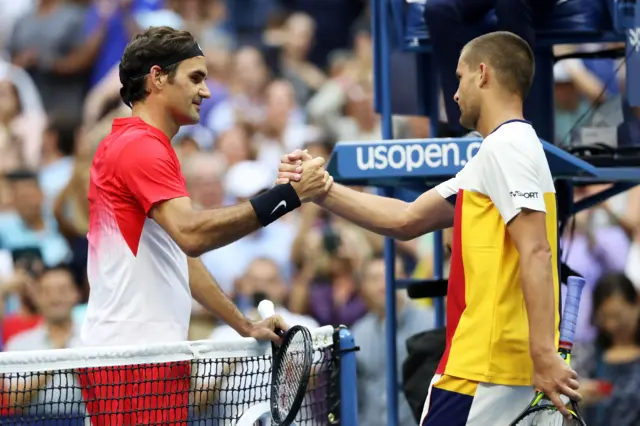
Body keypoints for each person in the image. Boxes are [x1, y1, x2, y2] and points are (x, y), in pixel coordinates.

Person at [278, 31, 581, 424]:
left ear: (483, 74)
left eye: (459, 77)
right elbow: (406, 220)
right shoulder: (493, 156)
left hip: (485, 368)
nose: (454, 94)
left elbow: (537, 250)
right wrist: (321, 190)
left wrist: (544, 353)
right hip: (503, 367)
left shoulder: (509, 146)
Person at [79, 26, 332, 425]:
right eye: (196, 78)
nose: (207, 92)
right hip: (131, 364)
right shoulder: (139, 146)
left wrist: (244, 324)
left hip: (146, 360)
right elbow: (192, 235)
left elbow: (178, 256)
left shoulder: (141, 145)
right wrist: (287, 197)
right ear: (158, 78)